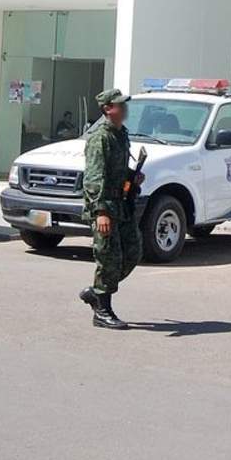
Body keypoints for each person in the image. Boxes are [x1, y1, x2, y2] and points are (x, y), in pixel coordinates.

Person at [78, 88, 142, 329]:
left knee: (133, 252)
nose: (124, 109)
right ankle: (102, 310)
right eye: (119, 105)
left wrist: (132, 176)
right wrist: (101, 212)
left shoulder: (120, 134)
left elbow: (117, 168)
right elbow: (94, 178)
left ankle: (96, 291)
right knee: (108, 257)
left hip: (121, 204)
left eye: (125, 105)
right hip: (105, 206)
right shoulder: (100, 138)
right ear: (107, 109)